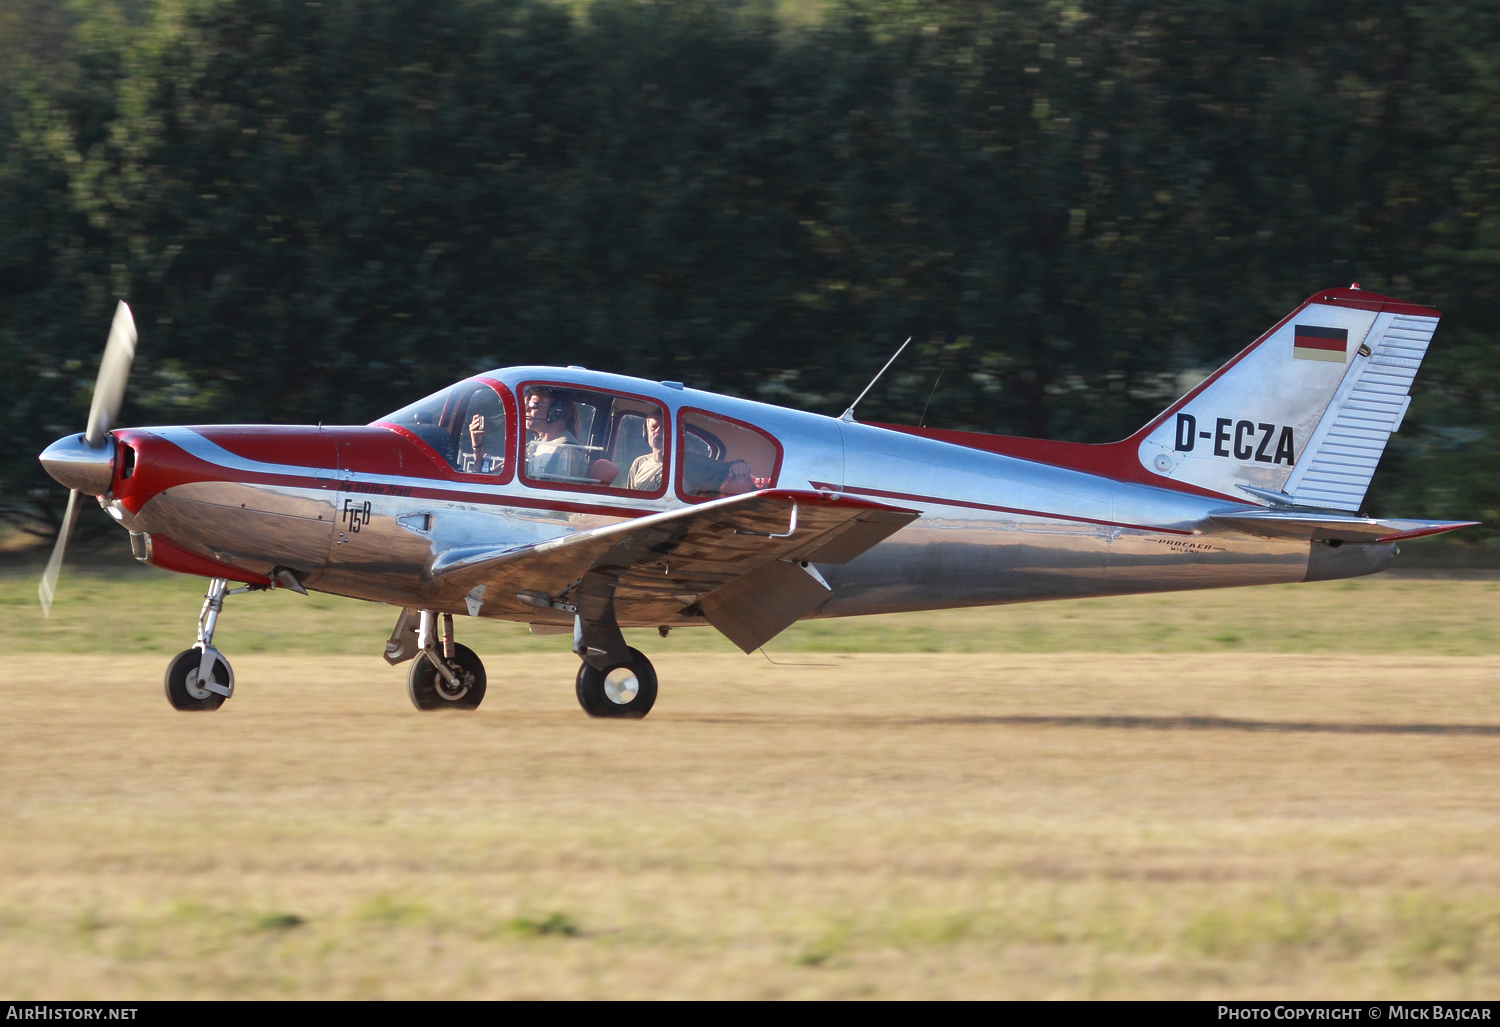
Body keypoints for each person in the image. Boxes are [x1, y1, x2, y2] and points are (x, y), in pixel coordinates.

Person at [524, 386, 585, 480]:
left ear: (556, 412)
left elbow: (562, 491)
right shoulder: (534, 446)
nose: (527, 409)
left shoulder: (568, 451)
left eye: (534, 405)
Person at [624, 411, 665, 491]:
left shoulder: (685, 465)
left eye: (664, 427)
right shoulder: (639, 463)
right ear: (646, 433)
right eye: (654, 427)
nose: (658, 431)